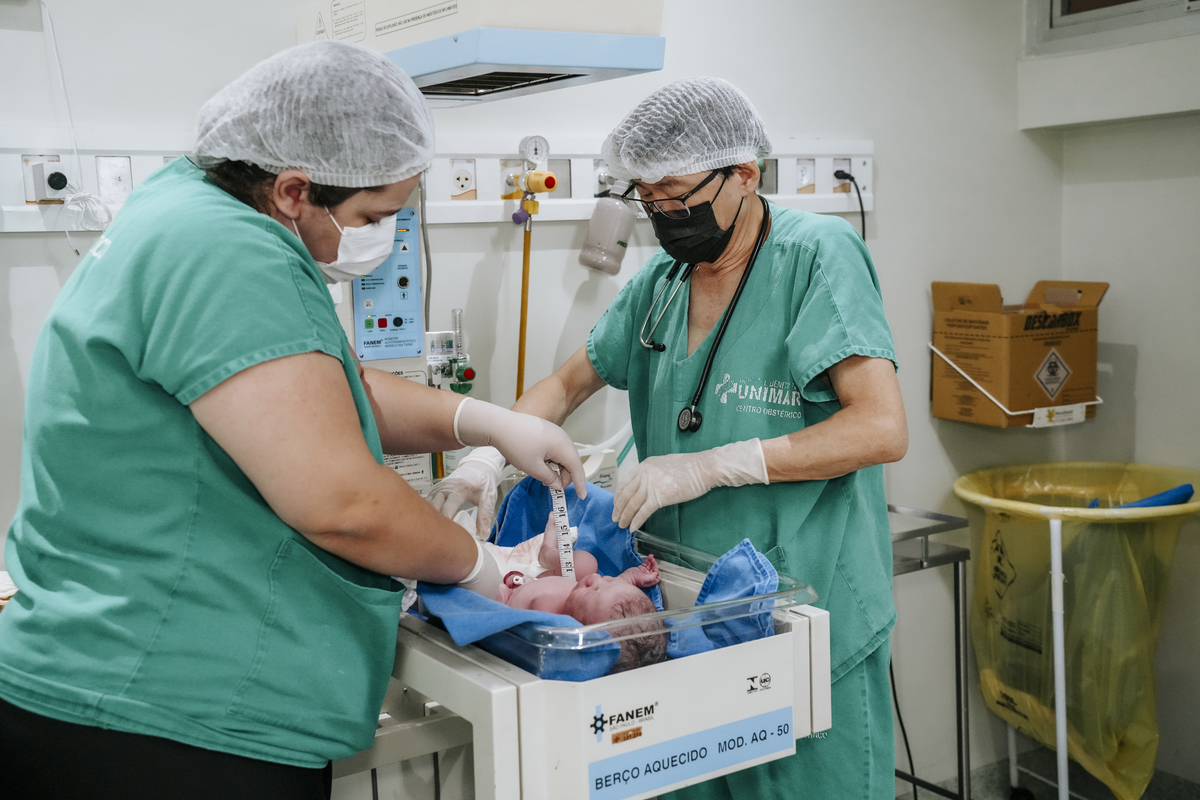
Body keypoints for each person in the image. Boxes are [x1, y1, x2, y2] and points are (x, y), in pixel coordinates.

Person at [0, 41, 585, 800]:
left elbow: (318, 391)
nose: (382, 235)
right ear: (292, 190)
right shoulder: (229, 254)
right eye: (374, 216)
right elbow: (345, 505)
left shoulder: (183, 206)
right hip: (166, 712)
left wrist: (483, 421)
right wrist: (482, 566)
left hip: (110, 674)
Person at [431, 76, 908, 799]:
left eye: (677, 197)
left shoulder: (817, 256)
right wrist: (488, 455)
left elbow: (880, 426)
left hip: (803, 607)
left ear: (744, 173)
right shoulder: (663, 281)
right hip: (682, 617)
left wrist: (720, 464)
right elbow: (566, 385)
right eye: (647, 199)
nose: (663, 215)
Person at [456, 514, 666, 673]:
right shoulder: (601, 602)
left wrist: (506, 589)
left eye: (590, 591)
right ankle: (548, 552)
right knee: (587, 563)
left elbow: (511, 625)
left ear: (577, 628)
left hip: (509, 591)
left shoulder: (550, 622)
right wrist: (629, 578)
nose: (596, 579)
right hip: (544, 574)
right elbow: (611, 598)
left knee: (482, 586)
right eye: (608, 580)